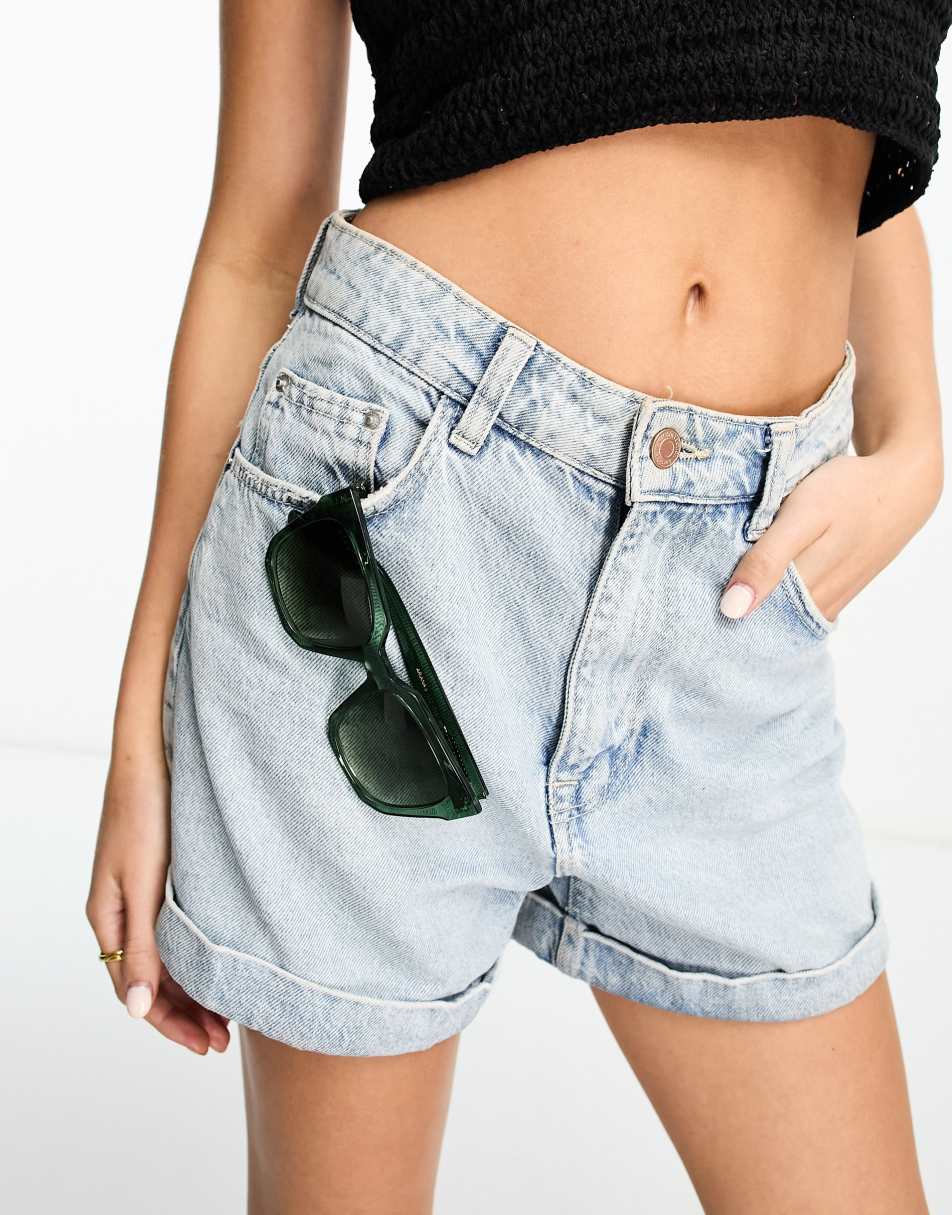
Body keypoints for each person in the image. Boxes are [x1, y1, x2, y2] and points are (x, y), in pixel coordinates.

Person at [86, 2, 949, 1211]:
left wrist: (915, 438)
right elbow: (259, 236)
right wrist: (144, 730)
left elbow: (830, 72)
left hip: (732, 589)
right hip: (390, 543)